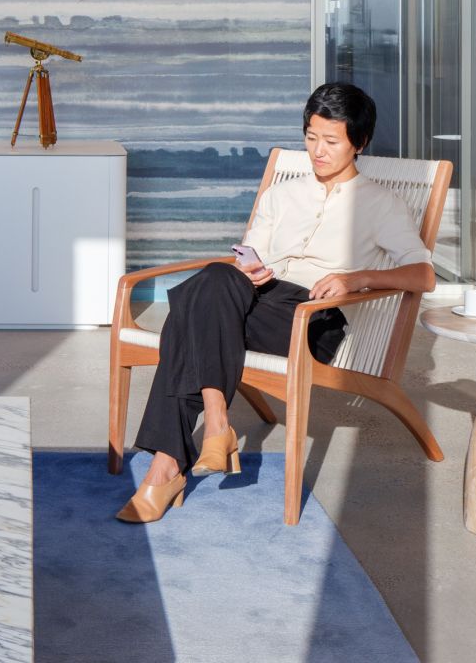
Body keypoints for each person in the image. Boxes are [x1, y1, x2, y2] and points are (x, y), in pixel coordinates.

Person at [117, 82, 436, 524]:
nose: (317, 151)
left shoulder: (382, 204)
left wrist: (356, 277)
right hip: (256, 300)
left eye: (330, 141)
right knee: (216, 279)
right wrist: (253, 270)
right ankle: (207, 430)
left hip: (312, 317)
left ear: (358, 143)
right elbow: (249, 258)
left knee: (189, 314)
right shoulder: (281, 194)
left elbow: (423, 275)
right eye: (310, 137)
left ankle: (170, 464)